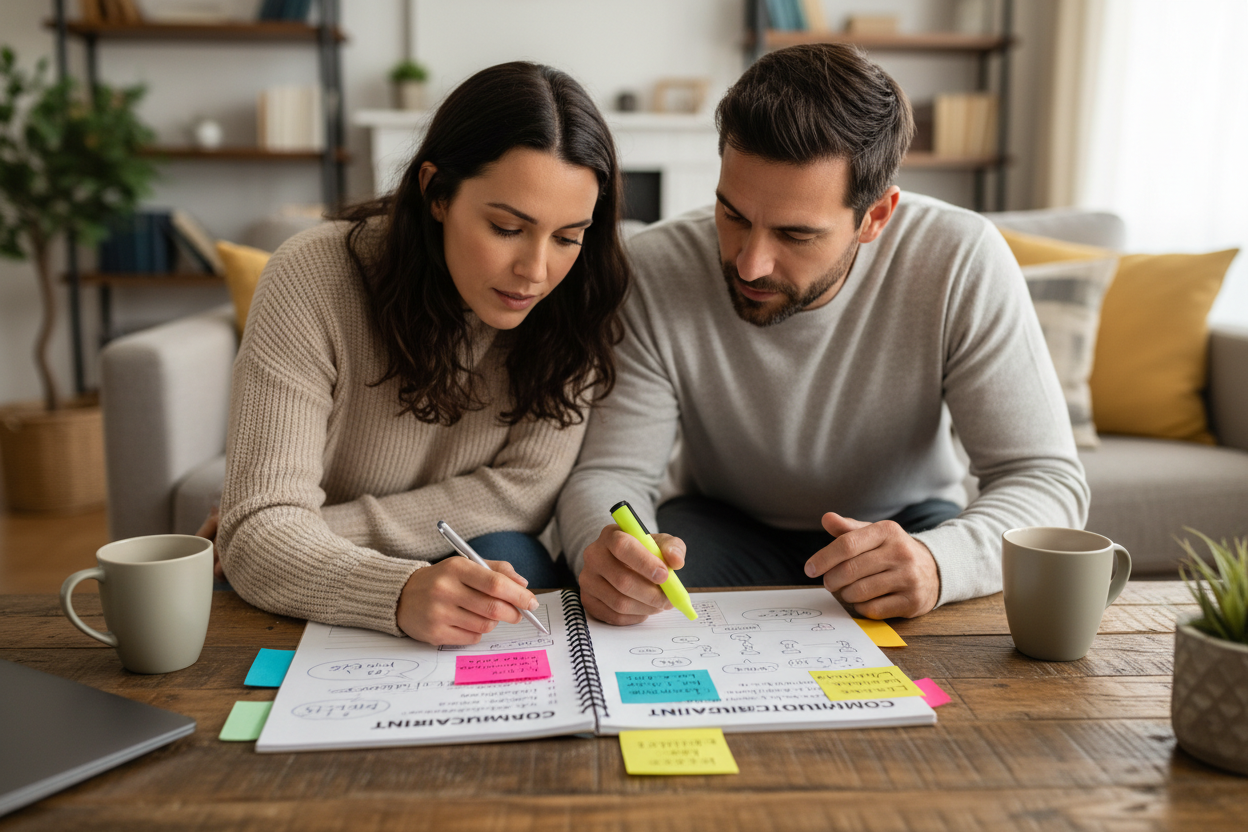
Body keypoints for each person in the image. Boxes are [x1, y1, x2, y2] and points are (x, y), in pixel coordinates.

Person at [556, 43, 1089, 626]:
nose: (749, 263)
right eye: (733, 215)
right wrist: (604, 548)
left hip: (908, 527)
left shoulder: (959, 259)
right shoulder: (655, 267)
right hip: (720, 527)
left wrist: (941, 562)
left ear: (875, 217)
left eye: (795, 234)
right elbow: (614, 474)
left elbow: (1045, 479)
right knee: (635, 627)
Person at [215, 62, 629, 645]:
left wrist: (304, 529)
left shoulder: (578, 298)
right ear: (436, 191)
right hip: (330, 572)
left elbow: (527, 490)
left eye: (567, 237)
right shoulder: (312, 276)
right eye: (508, 228)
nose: (536, 272)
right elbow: (256, 538)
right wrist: (398, 590)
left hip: (341, 540)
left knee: (515, 557)